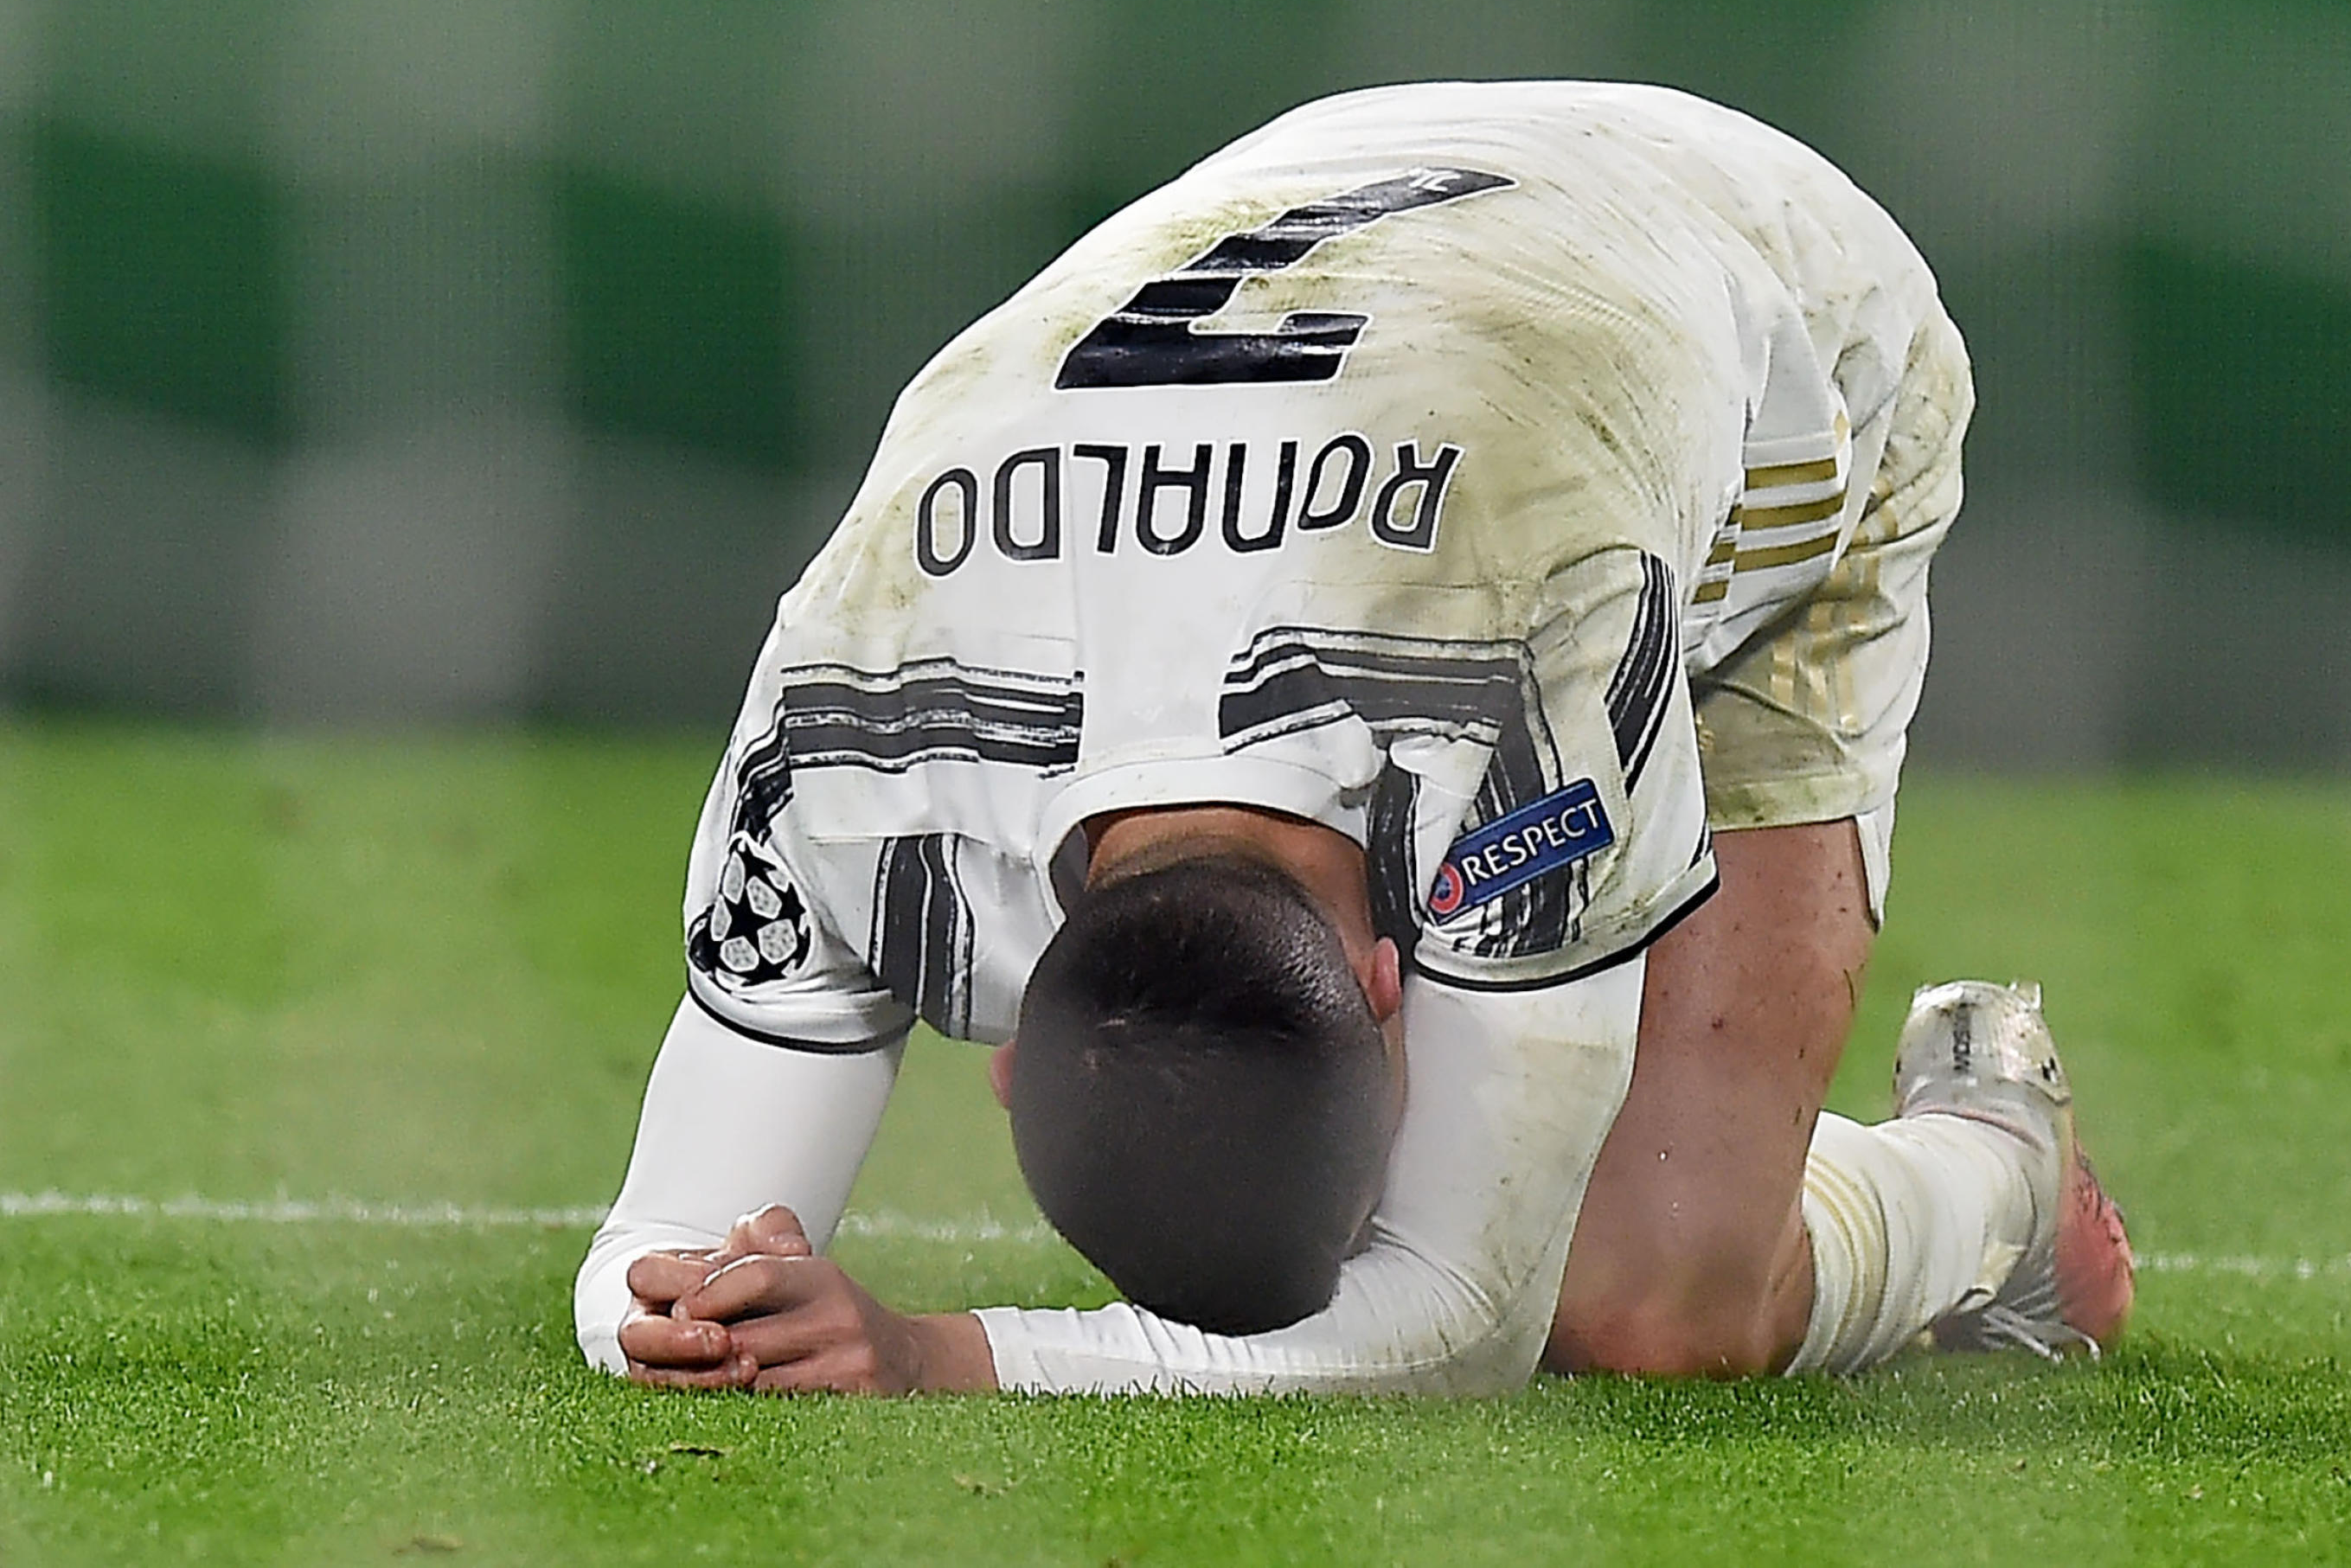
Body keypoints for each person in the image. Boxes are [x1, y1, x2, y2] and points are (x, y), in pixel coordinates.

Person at [573, 80, 2135, 1396]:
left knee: (1660, 1307)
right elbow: (647, 1255)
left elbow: (1470, 1317)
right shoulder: (847, 733)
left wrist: (934, 1353)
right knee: (1597, 1253)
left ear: (1398, 973)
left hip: (1779, 296)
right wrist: (701, 1311)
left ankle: (1995, 1159)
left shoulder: (1532, 698)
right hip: (1383, 239)